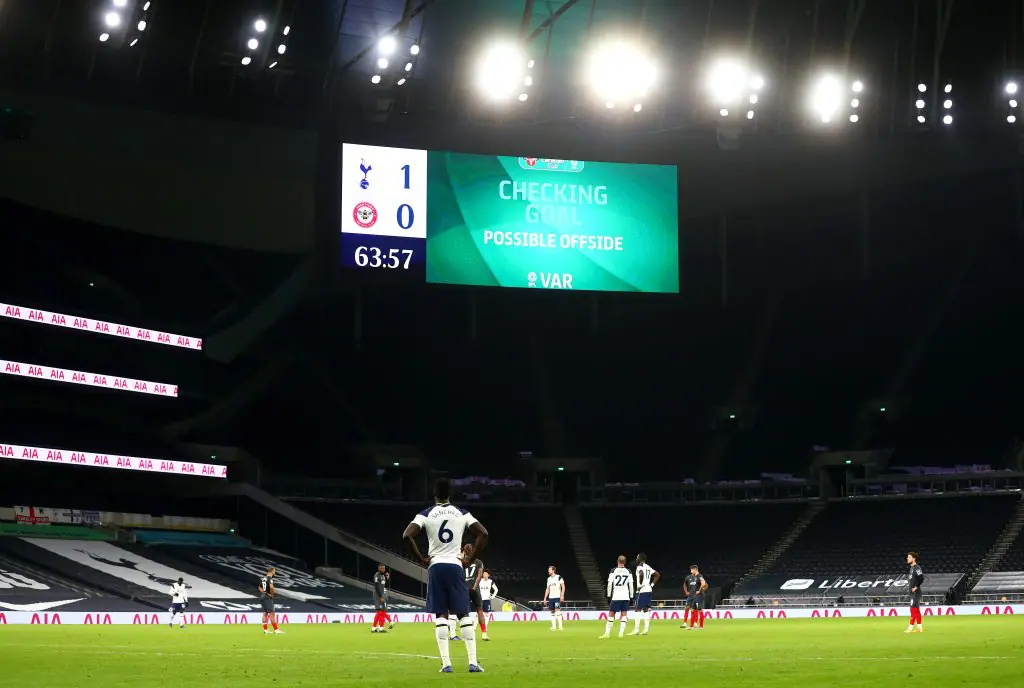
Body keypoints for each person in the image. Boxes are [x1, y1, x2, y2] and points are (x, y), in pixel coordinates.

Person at [403, 477, 488, 674]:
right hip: (455, 565)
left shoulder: (425, 514)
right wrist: (469, 559)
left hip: (436, 566)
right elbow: (483, 533)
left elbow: (406, 535)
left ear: (434, 495)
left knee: (441, 614)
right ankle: (473, 663)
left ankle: (446, 664)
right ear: (450, 495)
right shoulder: (462, 513)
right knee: (463, 613)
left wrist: (421, 559)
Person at [599, 555, 635, 639]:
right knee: (624, 614)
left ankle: (607, 634)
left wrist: (608, 595)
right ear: (625, 562)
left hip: (616, 596)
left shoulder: (613, 571)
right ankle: (621, 633)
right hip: (625, 596)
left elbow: (609, 584)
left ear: (617, 561)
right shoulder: (628, 571)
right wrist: (631, 596)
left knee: (611, 614)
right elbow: (631, 585)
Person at [462, 543, 490, 641]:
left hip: (464, 589)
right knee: (480, 611)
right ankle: (484, 634)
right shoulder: (478, 562)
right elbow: (479, 575)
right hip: (475, 589)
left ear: (464, 551)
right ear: (472, 551)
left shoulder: (461, 562)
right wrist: (474, 587)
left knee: (464, 612)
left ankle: (466, 635)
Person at [631, 553, 660, 636]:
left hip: (642, 590)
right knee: (646, 609)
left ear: (639, 559)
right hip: (649, 589)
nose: (636, 559)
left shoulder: (639, 567)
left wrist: (640, 585)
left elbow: (641, 574)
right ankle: (645, 630)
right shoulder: (648, 566)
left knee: (637, 609)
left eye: (637, 558)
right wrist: (651, 585)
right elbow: (657, 575)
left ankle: (636, 630)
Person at [259, 567, 284, 635]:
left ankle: (265, 630)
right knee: (272, 613)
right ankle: (276, 630)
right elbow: (271, 587)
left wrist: (264, 592)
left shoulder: (263, 578)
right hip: (267, 597)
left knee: (265, 613)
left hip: (263, 596)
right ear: (272, 571)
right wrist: (271, 595)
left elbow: (259, 587)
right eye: (274, 571)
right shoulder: (270, 579)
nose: (275, 572)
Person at [905, 551, 925, 634]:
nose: (907, 558)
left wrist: (916, 587)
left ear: (914, 558)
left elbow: (921, 578)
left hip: (915, 593)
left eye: (909, 557)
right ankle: (920, 628)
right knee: (916, 610)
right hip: (913, 593)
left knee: (912, 610)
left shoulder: (917, 568)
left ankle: (910, 628)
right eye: (908, 557)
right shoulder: (911, 568)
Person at [682, 565, 707, 630]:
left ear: (695, 570)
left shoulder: (699, 576)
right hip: (695, 596)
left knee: (700, 610)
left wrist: (699, 590)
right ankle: (691, 626)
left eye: (691, 570)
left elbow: (703, 583)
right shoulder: (695, 577)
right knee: (693, 610)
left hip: (699, 595)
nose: (691, 571)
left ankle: (701, 626)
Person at [371, 563, 394, 633]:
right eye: (381, 568)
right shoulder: (376, 575)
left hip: (382, 595)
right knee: (381, 611)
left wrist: (388, 578)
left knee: (381, 612)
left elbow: (385, 585)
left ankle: (375, 628)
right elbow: (376, 587)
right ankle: (381, 627)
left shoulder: (383, 576)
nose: (383, 569)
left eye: (383, 568)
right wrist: (380, 597)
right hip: (378, 595)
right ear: (378, 568)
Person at [542, 565, 565, 631]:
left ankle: (560, 627)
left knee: (557, 610)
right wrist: (545, 598)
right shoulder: (548, 579)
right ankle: (554, 627)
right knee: (552, 611)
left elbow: (563, 586)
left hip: (557, 597)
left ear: (553, 570)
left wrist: (562, 595)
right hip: (551, 598)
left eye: (549, 569)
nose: (548, 571)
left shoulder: (559, 577)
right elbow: (547, 589)